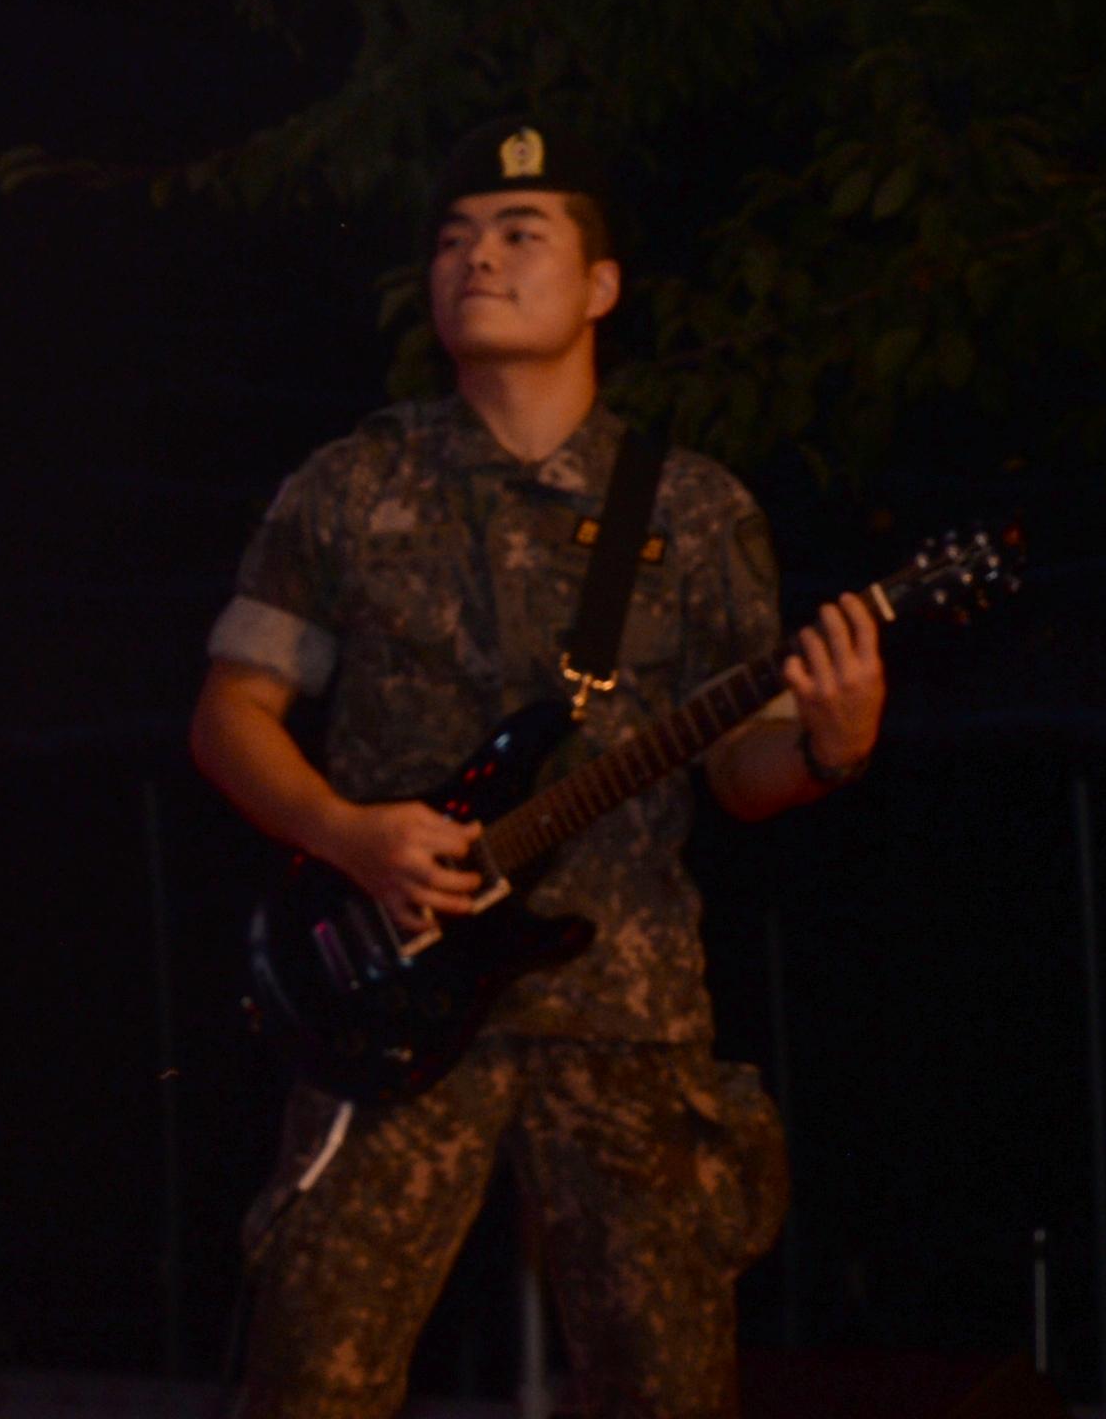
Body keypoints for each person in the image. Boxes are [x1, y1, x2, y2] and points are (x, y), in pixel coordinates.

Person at [190, 121, 891, 1419]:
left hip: (621, 1015)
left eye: (523, 235)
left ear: (602, 287)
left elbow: (742, 773)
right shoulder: (347, 487)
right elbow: (231, 712)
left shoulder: (692, 508)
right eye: (454, 239)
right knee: (308, 1385)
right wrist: (351, 834)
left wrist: (828, 748)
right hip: (386, 1000)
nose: (479, 260)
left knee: (667, 1391)